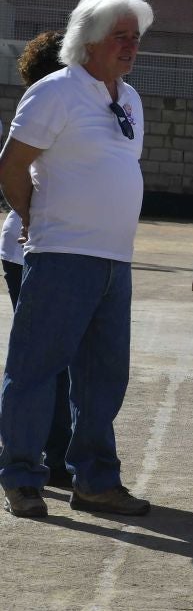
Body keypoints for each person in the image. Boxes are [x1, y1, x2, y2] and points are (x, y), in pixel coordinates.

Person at [0, 0, 157, 520]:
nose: (131, 46)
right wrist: (33, 219)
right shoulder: (56, 91)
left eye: (136, 37)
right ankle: (22, 476)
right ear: (88, 40)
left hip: (116, 261)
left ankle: (95, 480)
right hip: (62, 254)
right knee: (35, 369)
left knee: (105, 376)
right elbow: (12, 166)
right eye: (120, 36)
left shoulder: (129, 98)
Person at [1, 30, 73, 490]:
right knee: (48, 361)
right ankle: (49, 455)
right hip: (35, 245)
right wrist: (33, 219)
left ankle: (51, 451)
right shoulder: (54, 105)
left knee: (45, 359)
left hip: (24, 245)